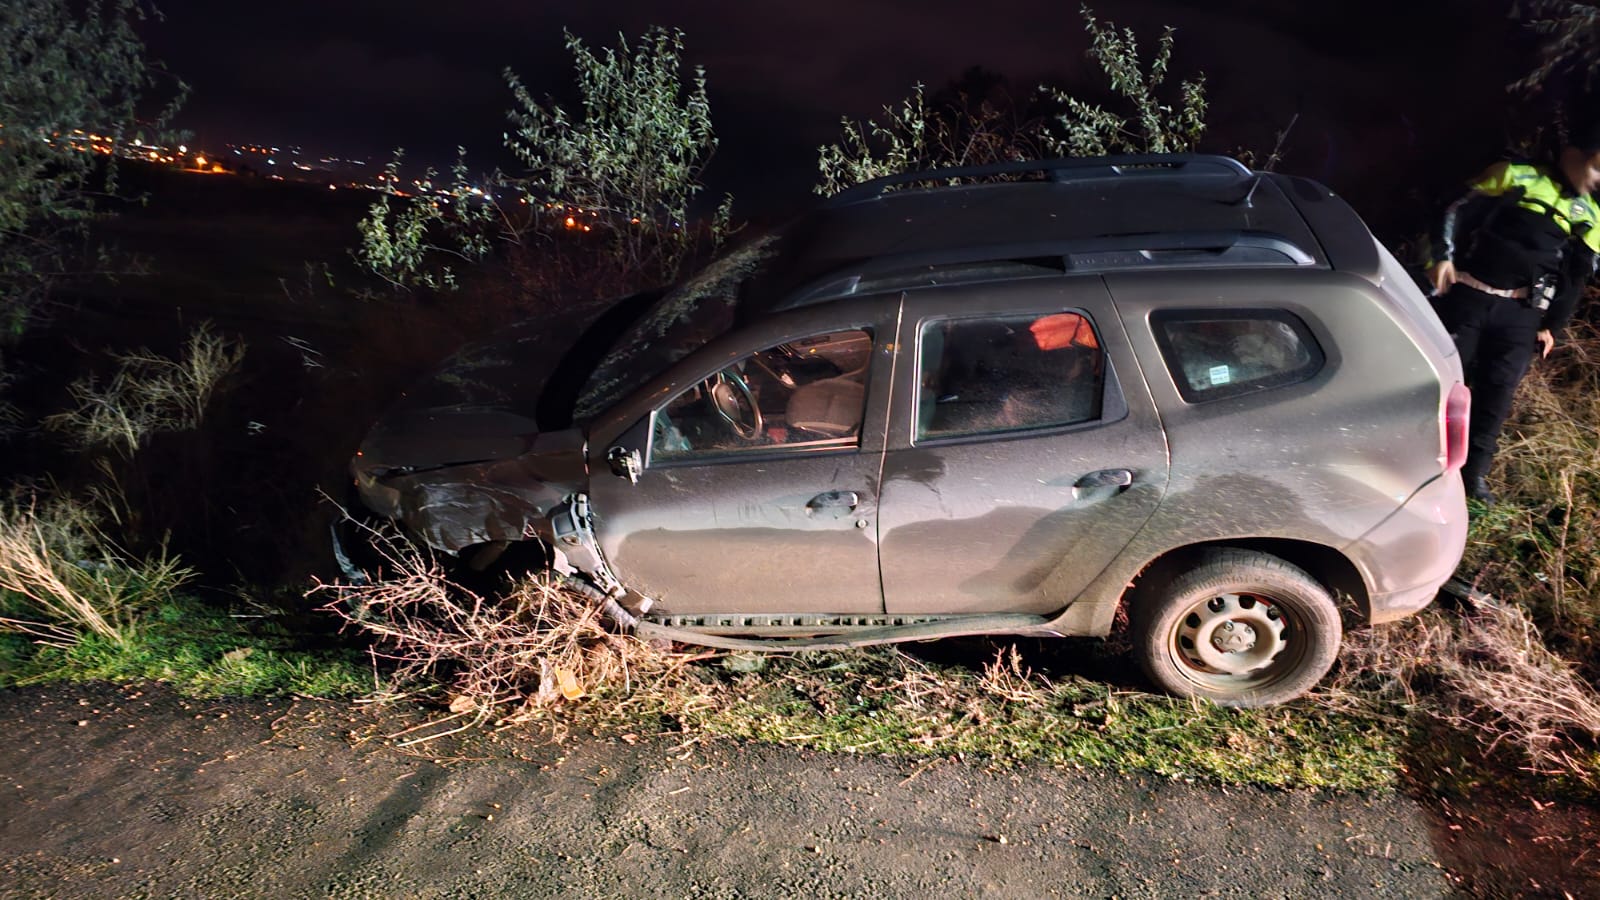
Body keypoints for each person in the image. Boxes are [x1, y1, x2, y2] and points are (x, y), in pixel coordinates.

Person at [1427, 125, 1600, 502]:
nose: (1597, 179)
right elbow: (1454, 205)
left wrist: (1552, 326)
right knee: (1443, 383)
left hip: (1521, 314)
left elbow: (1575, 277)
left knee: (1498, 394)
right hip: (1469, 296)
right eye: (1596, 167)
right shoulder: (1517, 173)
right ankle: (1422, 462)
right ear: (1573, 153)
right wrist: (1441, 256)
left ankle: (1473, 477)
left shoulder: (1591, 214)